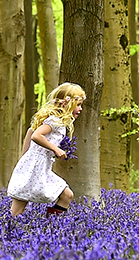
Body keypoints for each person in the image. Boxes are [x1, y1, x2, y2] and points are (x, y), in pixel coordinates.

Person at [6, 82, 85, 217]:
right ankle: (3, 233)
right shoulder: (55, 121)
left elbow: (31, 131)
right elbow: (37, 136)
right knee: (16, 212)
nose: (80, 108)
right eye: (78, 105)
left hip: (37, 168)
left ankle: (51, 229)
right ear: (68, 103)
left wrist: (23, 159)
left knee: (67, 195)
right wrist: (55, 149)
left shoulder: (59, 122)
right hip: (35, 168)